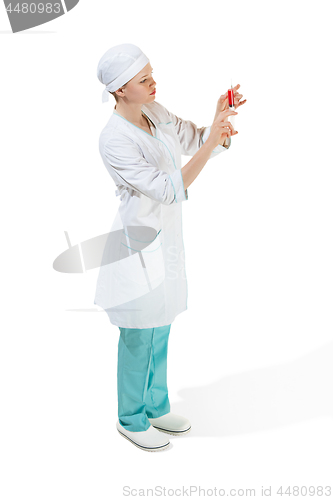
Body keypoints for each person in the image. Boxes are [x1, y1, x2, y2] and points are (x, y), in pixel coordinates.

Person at [95, 44, 246, 452]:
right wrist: (207, 143)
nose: (153, 82)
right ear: (120, 89)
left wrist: (217, 126)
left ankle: (156, 406)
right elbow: (165, 189)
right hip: (136, 248)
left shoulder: (154, 113)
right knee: (137, 333)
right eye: (143, 79)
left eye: (151, 73)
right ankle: (130, 417)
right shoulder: (113, 139)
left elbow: (196, 140)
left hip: (167, 244)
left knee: (161, 326)